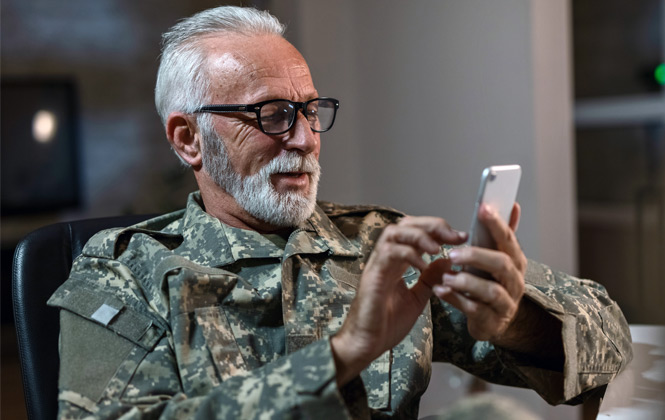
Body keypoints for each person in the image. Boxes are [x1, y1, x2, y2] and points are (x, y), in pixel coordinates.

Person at [48, 6, 632, 419]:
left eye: (310, 110)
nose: (304, 138)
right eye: (272, 115)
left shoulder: (381, 244)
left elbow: (612, 331)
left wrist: (514, 323)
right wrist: (345, 353)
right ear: (188, 139)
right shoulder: (123, 272)